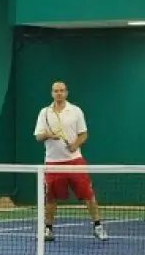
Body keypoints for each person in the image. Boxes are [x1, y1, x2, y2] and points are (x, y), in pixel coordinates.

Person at [34, 81, 108, 243]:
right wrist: (49, 135)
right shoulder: (44, 113)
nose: (59, 93)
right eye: (56, 91)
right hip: (52, 163)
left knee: (88, 195)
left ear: (66, 93)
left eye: (62, 90)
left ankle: (98, 226)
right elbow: (38, 136)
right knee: (51, 198)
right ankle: (48, 229)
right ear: (52, 93)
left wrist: (75, 145)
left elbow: (84, 134)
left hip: (75, 161)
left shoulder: (75, 111)